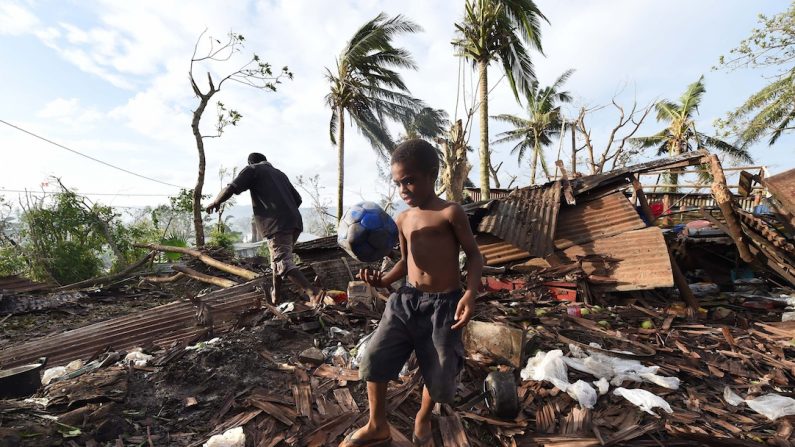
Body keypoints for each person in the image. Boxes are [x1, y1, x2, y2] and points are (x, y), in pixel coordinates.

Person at [340, 139, 483, 447]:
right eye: (398, 183)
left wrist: (470, 293)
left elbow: (474, 255)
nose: (403, 189)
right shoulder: (402, 219)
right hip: (405, 301)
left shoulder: (450, 213)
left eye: (409, 180)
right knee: (374, 358)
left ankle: (422, 418)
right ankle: (377, 424)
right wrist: (382, 280)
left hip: (444, 306)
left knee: (440, 372)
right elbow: (405, 262)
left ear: (432, 175)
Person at [205, 152, 321, 304]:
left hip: (277, 225)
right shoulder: (280, 174)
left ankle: (313, 294)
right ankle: (276, 298)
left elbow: (232, 187)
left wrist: (216, 202)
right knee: (277, 261)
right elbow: (298, 199)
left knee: (283, 263)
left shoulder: (252, 169)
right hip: (295, 222)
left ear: (251, 162)